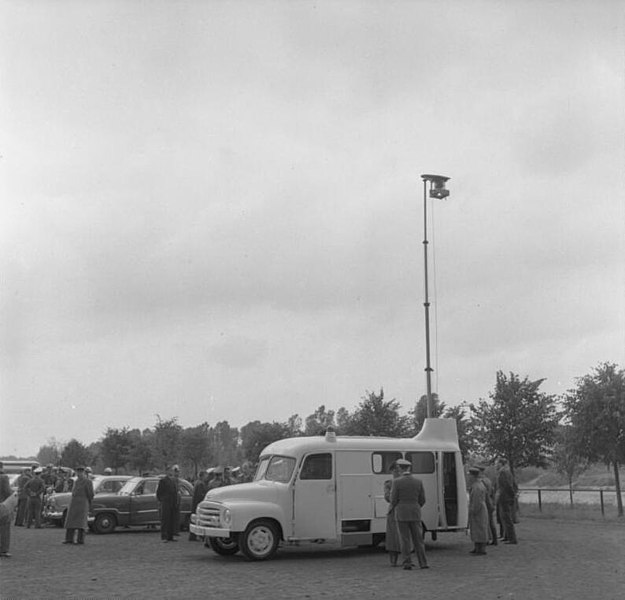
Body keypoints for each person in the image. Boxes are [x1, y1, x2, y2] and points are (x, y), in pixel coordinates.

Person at [388, 458, 428, 570]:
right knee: (418, 539)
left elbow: (393, 499)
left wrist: (396, 507)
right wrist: (415, 506)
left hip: (401, 513)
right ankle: (423, 562)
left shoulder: (396, 482)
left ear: (400, 468)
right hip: (415, 512)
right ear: (409, 468)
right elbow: (423, 499)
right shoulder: (418, 481)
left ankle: (407, 563)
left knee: (404, 539)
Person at [63, 466, 94, 545]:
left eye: (80, 472)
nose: (79, 473)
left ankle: (80, 540)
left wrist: (89, 502)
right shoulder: (76, 481)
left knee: (81, 523)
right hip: (74, 503)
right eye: (78, 472)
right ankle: (69, 539)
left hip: (82, 503)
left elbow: (90, 494)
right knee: (70, 521)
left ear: (83, 472)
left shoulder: (88, 481)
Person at [467, 467, 489, 555]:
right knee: (477, 529)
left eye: (470, 476)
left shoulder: (477, 487)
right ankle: (477, 547)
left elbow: (477, 501)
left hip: (478, 510)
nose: (468, 478)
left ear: (473, 476)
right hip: (480, 509)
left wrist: (473, 511)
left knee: (480, 529)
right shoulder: (477, 485)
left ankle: (481, 549)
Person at [383, 461, 402, 567]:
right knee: (392, 538)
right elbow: (388, 498)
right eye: (395, 470)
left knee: (405, 537)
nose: (397, 472)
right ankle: (393, 560)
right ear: (391, 471)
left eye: (399, 470)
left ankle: (406, 559)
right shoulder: (389, 483)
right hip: (393, 511)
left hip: (403, 510)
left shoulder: (405, 482)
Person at [496, 457, 518, 544]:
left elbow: (508, 485)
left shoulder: (503, 472)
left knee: (507, 518)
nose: (496, 465)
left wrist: (512, 496)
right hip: (505, 497)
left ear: (501, 463)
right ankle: (506, 536)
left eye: (497, 463)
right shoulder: (506, 472)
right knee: (504, 518)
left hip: (505, 497)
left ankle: (512, 538)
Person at [156, 466, 179, 543]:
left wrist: (175, 502)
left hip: (172, 502)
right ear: (166, 471)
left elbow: (175, 492)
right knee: (165, 520)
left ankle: (170, 536)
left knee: (171, 520)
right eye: (169, 471)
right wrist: (162, 500)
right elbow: (159, 492)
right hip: (166, 502)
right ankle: (164, 536)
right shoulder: (163, 480)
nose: (171, 472)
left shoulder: (173, 480)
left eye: (172, 471)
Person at [478, 465, 497, 545]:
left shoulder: (482, 481)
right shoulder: (488, 480)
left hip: (485, 502)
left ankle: (488, 539)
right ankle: (494, 539)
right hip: (490, 502)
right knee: (490, 521)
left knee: (486, 522)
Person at [189, 471, 209, 541]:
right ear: (202, 476)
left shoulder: (197, 483)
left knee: (194, 519)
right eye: (205, 476)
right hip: (198, 504)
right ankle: (197, 535)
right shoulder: (200, 484)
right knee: (199, 520)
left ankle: (192, 535)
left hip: (195, 503)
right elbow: (200, 495)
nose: (206, 477)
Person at [1, 492, 19, 558]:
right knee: (4, 530)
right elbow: (7, 492)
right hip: (3, 506)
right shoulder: (3, 481)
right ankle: (3, 550)